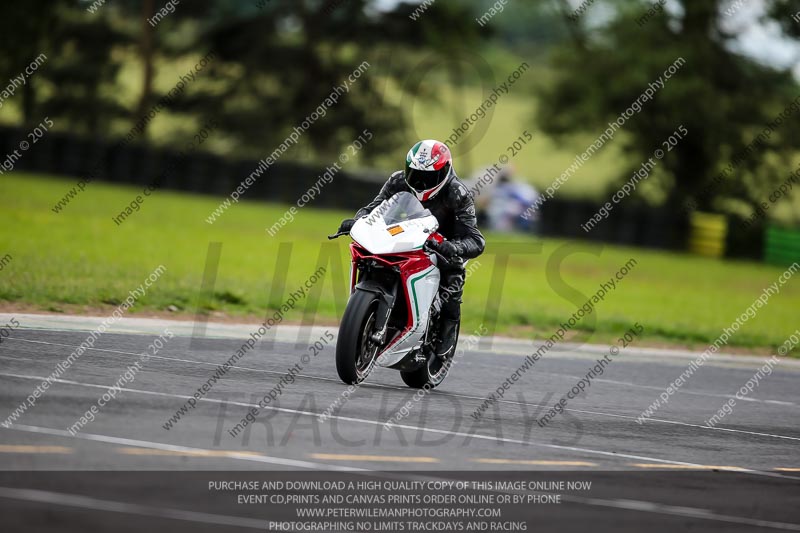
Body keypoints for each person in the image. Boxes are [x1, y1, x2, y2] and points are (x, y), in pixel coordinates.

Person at [337, 139, 485, 362]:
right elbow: (374, 208)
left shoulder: (458, 193)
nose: (420, 181)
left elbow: (476, 240)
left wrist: (453, 246)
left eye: (427, 177)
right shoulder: (398, 180)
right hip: (407, 233)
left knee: (452, 273)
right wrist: (358, 221)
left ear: (444, 171)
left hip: (443, 241)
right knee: (370, 253)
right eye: (414, 174)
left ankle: (447, 329)